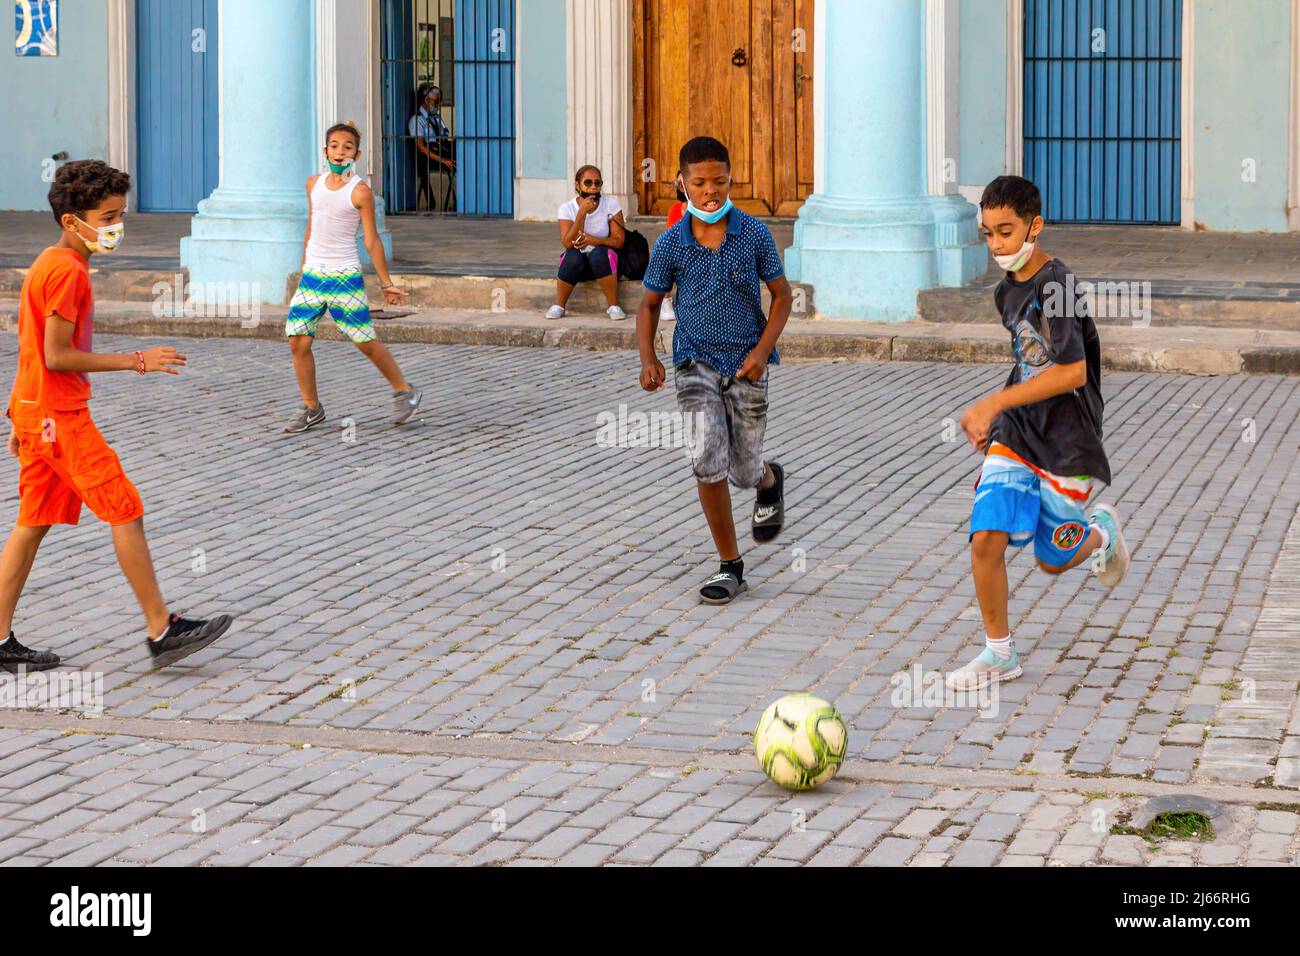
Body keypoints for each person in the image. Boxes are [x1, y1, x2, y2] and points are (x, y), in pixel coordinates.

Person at [0, 160, 233, 673]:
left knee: (32, 523)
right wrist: (136, 360)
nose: (116, 228)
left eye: (118, 215)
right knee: (124, 507)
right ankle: (161, 629)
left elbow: (29, 349)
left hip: (37, 413)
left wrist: (18, 414)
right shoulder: (66, 272)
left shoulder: (47, 262)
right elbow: (56, 355)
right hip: (59, 417)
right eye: (107, 218)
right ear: (72, 221)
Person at [946, 174, 1131, 691]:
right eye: (988, 234)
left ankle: (1102, 534)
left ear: (1035, 225)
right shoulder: (1007, 292)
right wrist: (996, 417)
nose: (997, 244)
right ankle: (998, 653)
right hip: (1018, 432)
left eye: (1006, 232)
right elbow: (1029, 364)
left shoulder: (1058, 286)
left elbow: (1070, 372)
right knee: (987, 537)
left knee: (1052, 559)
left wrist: (992, 401)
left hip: (1068, 440)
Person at [636, 136, 793, 605]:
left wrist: (763, 351)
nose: (710, 192)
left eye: (719, 182)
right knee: (708, 459)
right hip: (693, 363)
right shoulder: (670, 243)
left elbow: (782, 297)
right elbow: (647, 305)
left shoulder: (753, 234)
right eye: (700, 183)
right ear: (681, 184)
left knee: (742, 471)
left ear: (730, 180)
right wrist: (649, 358)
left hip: (747, 365)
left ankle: (768, 479)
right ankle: (730, 565)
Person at [284, 122, 422, 433]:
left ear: (356, 154)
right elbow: (311, 228)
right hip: (313, 277)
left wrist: (386, 284)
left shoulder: (360, 192)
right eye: (334, 146)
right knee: (297, 341)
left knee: (364, 341)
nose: (340, 152)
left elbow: (371, 240)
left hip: (345, 276)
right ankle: (311, 407)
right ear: (325, 151)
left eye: (347, 147)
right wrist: (303, 268)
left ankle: (405, 391)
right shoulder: (313, 184)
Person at [547, 165, 627, 321]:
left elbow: (619, 242)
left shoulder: (611, 205)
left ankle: (613, 306)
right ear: (578, 185)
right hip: (578, 265)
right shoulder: (567, 208)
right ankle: (559, 305)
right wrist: (581, 212)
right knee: (572, 255)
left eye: (598, 183)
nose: (593, 188)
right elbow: (567, 243)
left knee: (598, 253)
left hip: (604, 264)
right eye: (588, 183)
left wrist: (594, 241)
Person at [409, 85, 455, 212]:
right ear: (426, 101)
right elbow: (421, 147)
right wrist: (443, 160)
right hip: (430, 156)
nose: (438, 104)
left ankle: (457, 201)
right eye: (436, 101)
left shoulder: (436, 118)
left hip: (442, 149)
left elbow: (444, 135)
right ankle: (434, 201)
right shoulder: (417, 120)